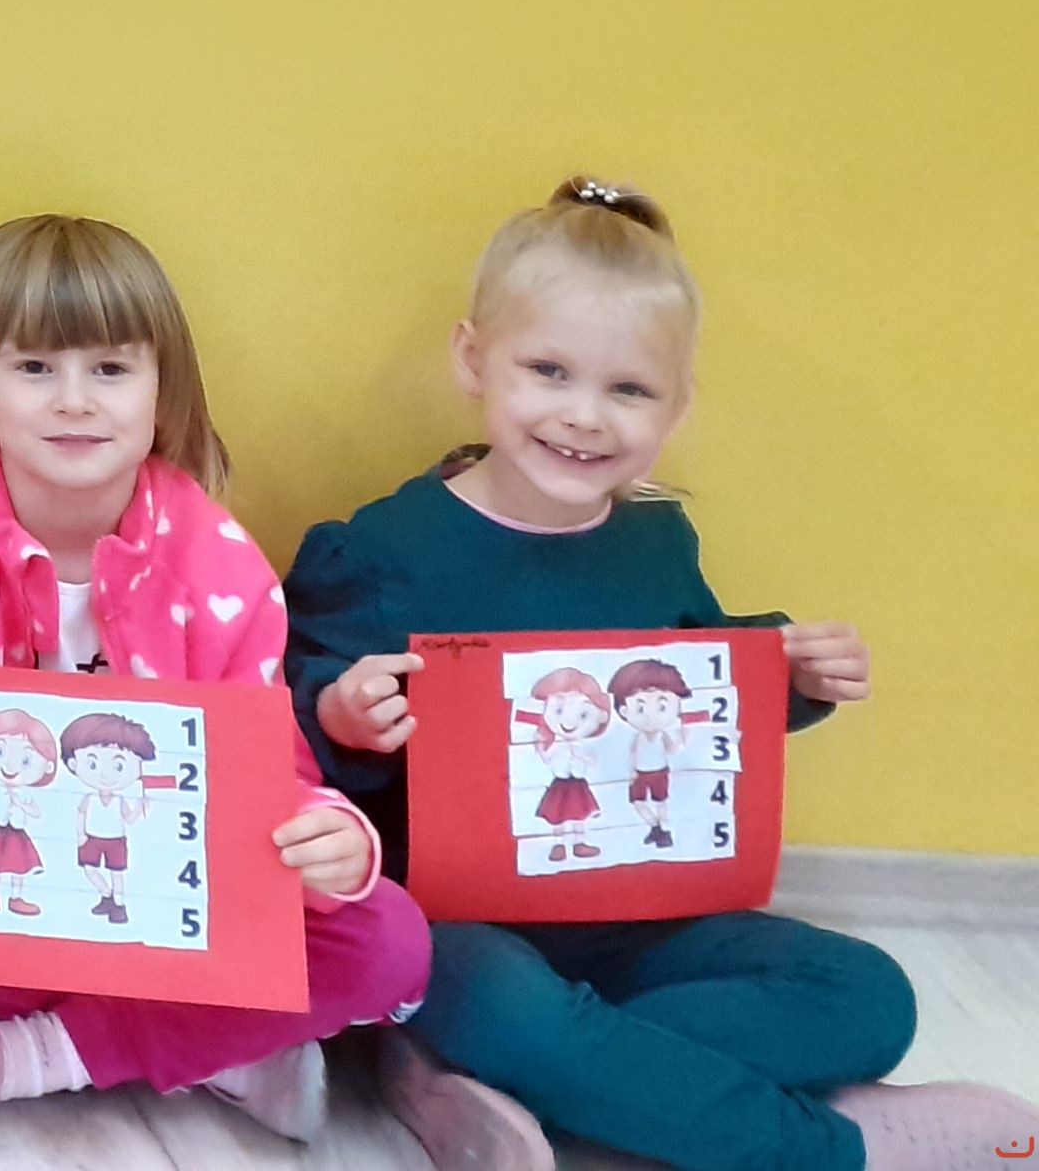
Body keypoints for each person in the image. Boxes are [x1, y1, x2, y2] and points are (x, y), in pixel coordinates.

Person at [288, 180, 1039, 1171]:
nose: (584, 416)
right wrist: (343, 715)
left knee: (869, 998)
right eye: (548, 371)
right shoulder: (386, 549)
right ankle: (831, 1146)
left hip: (643, 909)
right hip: (464, 923)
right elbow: (298, 728)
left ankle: (517, 1081)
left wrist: (795, 677)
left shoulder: (655, 539)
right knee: (500, 1005)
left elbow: (691, 689)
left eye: (629, 390)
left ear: (677, 407)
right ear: (474, 360)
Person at [0, 213, 428, 1138]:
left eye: (112, 369)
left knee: (388, 939)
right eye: (35, 367)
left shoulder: (221, 564)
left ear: (163, 392)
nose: (75, 401)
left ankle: (21, 1059)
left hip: (167, 900)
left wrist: (332, 841)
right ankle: (217, 1049)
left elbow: (266, 781)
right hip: (1, 886)